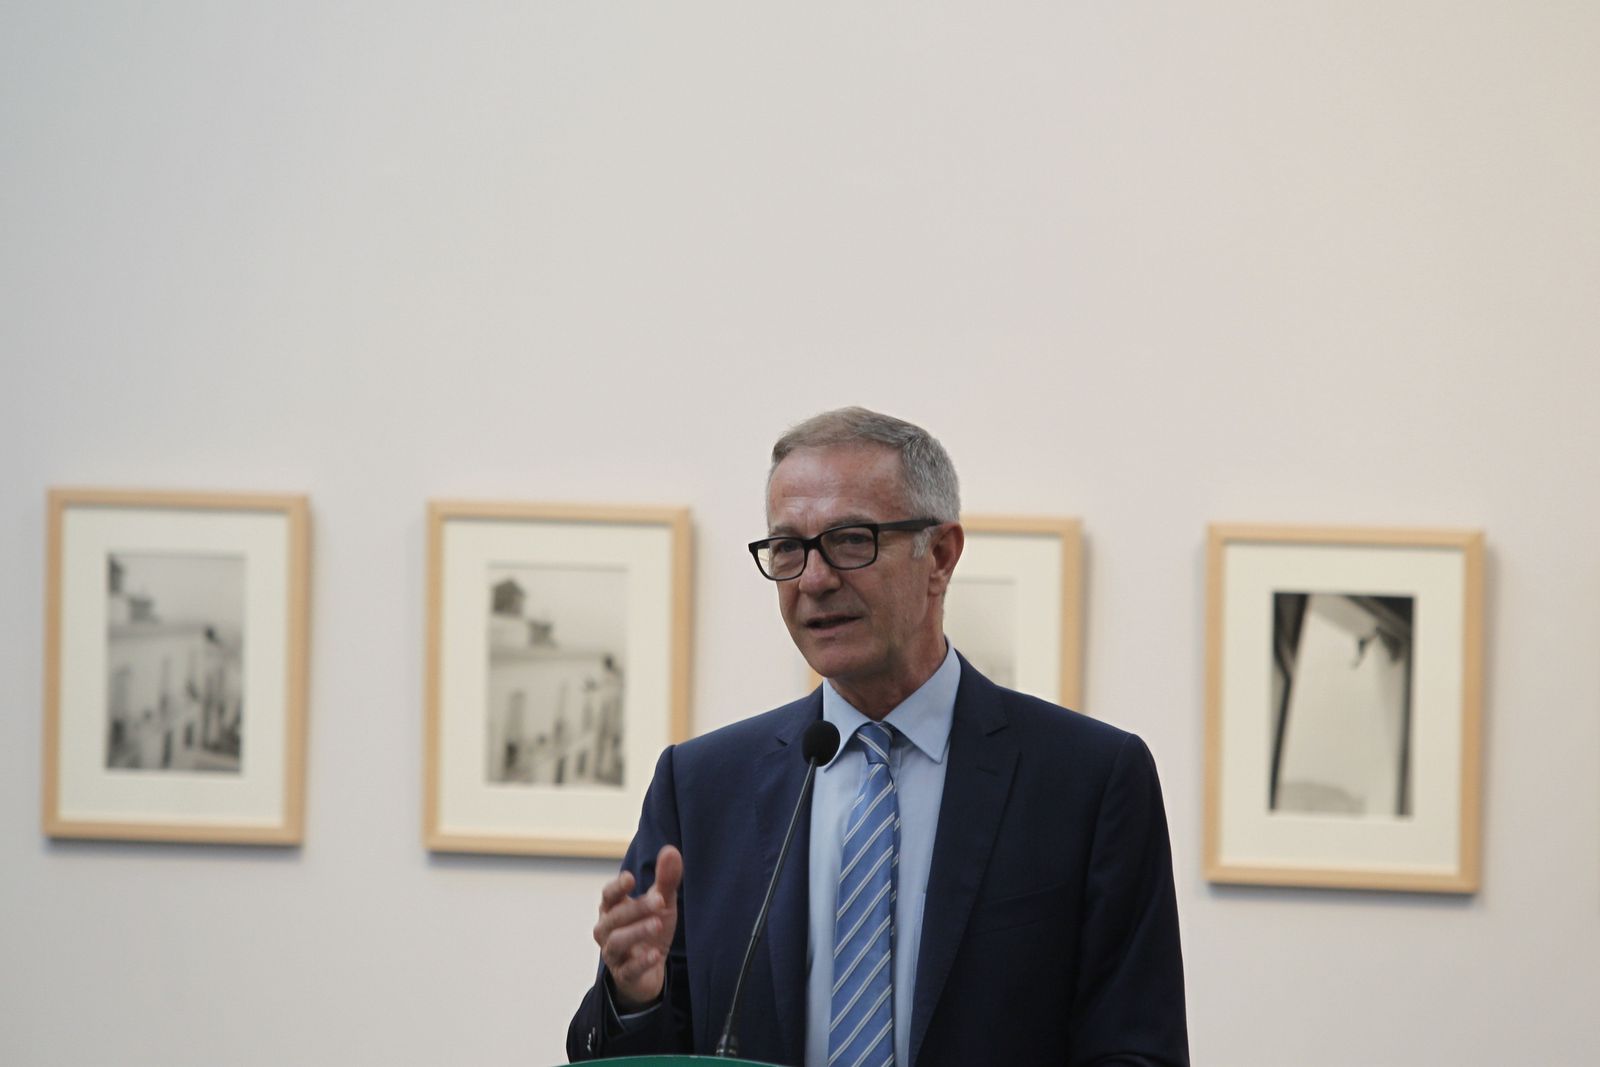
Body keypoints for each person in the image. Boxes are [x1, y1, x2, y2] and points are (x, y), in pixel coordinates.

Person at [569, 407, 1188, 1066]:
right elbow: (630, 1049)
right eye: (788, 548)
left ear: (940, 556)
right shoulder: (700, 786)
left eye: (850, 539)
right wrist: (634, 996)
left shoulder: (1090, 779)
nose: (813, 579)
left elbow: (1137, 1051)